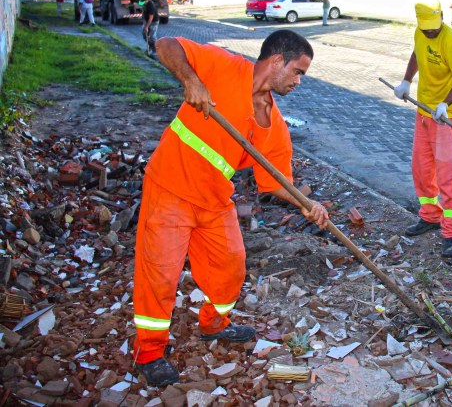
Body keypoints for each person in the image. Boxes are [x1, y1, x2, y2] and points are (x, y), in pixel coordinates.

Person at [132, 30, 330, 387]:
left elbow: (276, 181)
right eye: (298, 71)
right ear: (275, 61)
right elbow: (165, 45)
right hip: (170, 186)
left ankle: (213, 324)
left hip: (213, 200)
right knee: (160, 274)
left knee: (231, 266)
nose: (300, 81)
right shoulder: (224, 66)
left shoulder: (273, 123)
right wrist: (191, 81)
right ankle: (149, 352)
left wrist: (308, 203)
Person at [393, 0, 452, 258]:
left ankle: (451, 233)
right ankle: (430, 216)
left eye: (433, 28)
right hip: (424, 112)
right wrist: (406, 81)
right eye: (425, 28)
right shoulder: (420, 32)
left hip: (448, 116)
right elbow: (417, 52)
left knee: (448, 175)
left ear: (440, 19)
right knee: (423, 169)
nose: (429, 33)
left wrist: (445, 104)